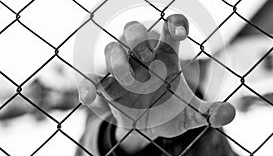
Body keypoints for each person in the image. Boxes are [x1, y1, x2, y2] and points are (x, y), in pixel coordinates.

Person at [76, 14, 237, 156]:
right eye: (135, 66)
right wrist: (129, 138)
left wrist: (196, 128)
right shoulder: (97, 119)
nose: (150, 73)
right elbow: (87, 146)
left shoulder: (206, 119)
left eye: (159, 60)